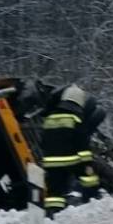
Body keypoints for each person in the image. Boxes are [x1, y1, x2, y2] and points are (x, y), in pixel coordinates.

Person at [41, 85, 90, 215]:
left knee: (54, 192)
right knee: (87, 181)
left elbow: (44, 140)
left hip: (51, 162)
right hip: (70, 161)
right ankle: (89, 201)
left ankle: (53, 213)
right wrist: (86, 163)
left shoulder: (50, 118)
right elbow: (82, 143)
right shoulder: (75, 118)